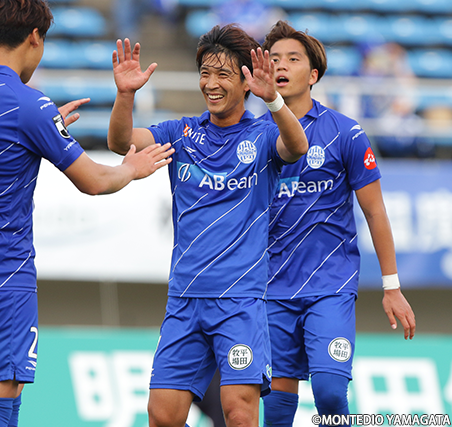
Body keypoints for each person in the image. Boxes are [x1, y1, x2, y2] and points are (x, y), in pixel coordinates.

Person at [0, 1, 174, 426]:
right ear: (35, 37)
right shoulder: (29, 104)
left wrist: (45, 129)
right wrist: (131, 168)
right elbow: (94, 181)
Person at [107, 24, 308, 427]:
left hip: (239, 303)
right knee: (162, 416)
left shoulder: (263, 136)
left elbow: (297, 146)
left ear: (247, 82)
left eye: (223, 74)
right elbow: (120, 141)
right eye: (205, 73)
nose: (211, 84)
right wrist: (126, 95)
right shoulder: (180, 134)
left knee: (239, 413)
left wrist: (273, 100)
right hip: (184, 300)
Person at [261, 21, 416, 426]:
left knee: (330, 393)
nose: (281, 65)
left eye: (292, 59)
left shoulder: (345, 133)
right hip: (271, 289)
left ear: (313, 75)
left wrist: (391, 286)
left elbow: (375, 212)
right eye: (274, 58)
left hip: (330, 286)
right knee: (275, 408)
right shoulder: (254, 135)